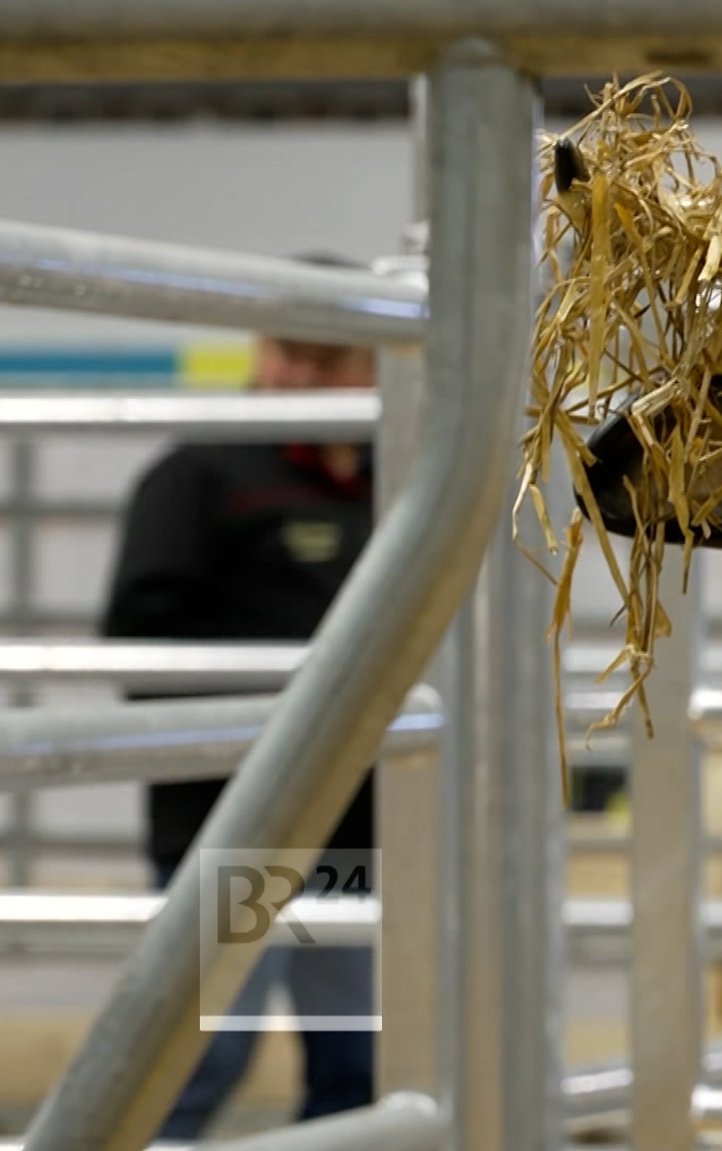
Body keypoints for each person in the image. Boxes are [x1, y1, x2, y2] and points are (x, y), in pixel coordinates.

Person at [100, 251, 379, 1140]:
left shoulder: (405, 482)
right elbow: (142, 639)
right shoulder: (202, 477)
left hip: (349, 823)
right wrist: (294, 705)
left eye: (325, 360)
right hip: (240, 826)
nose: (296, 376)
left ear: (375, 362)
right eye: (285, 353)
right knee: (201, 1057)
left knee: (353, 1063)